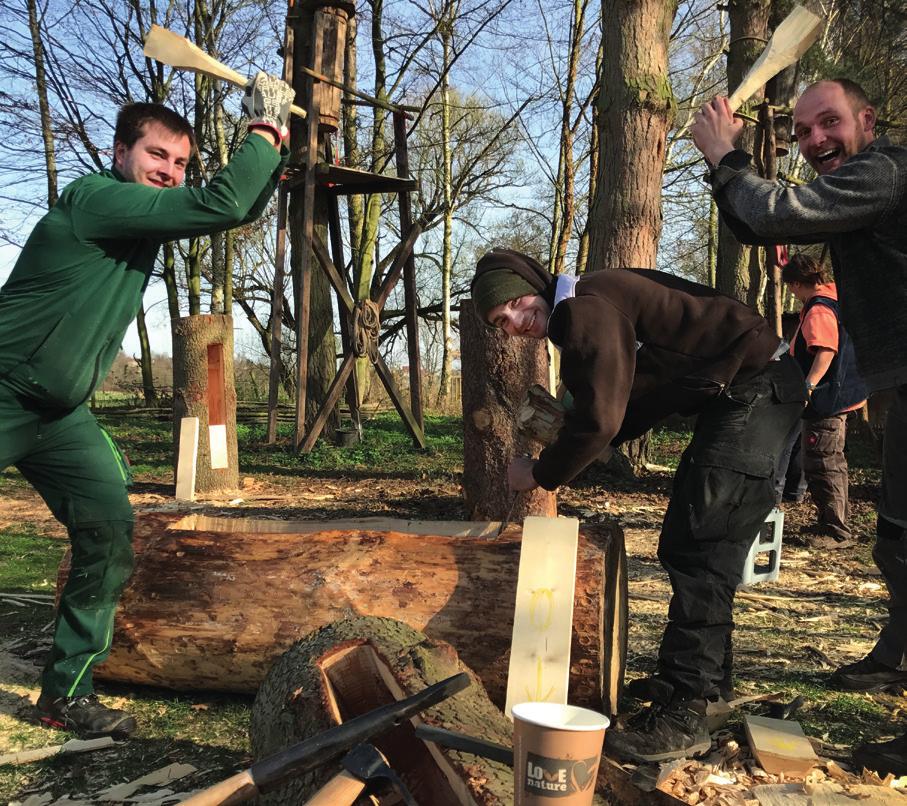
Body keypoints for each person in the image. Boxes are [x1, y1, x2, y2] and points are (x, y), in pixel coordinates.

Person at [0, 73, 294, 738]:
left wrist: (273, 153)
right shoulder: (96, 202)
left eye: (181, 163)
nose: (169, 172)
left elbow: (234, 207)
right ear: (119, 154)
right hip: (2, 388)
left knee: (107, 531)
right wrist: (263, 131)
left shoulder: (139, 225)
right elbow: (221, 202)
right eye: (157, 155)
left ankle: (65, 693)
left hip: (59, 414)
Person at [471, 249, 806, 763]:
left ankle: (685, 712)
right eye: (502, 322)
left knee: (702, 549)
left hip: (757, 391)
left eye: (515, 305)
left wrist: (539, 472)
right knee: (691, 543)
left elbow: (603, 420)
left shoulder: (582, 309)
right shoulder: (592, 302)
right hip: (750, 392)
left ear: (534, 282)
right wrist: (573, 423)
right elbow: (635, 394)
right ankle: (703, 687)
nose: (516, 323)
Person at [691, 77, 907, 775]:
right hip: (898, 383)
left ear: (865, 121)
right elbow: (758, 221)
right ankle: (893, 658)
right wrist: (727, 168)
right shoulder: (856, 193)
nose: (815, 141)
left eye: (829, 124)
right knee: (898, 542)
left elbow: (773, 210)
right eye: (804, 131)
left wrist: (727, 155)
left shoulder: (883, 170)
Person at [782, 253, 866, 545]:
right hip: (840, 394)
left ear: (796, 283)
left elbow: (826, 349)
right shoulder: (834, 299)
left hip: (827, 398)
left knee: (822, 461)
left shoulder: (818, 309)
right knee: (829, 460)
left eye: (791, 287)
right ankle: (829, 523)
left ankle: (836, 531)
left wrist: (808, 385)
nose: (792, 294)